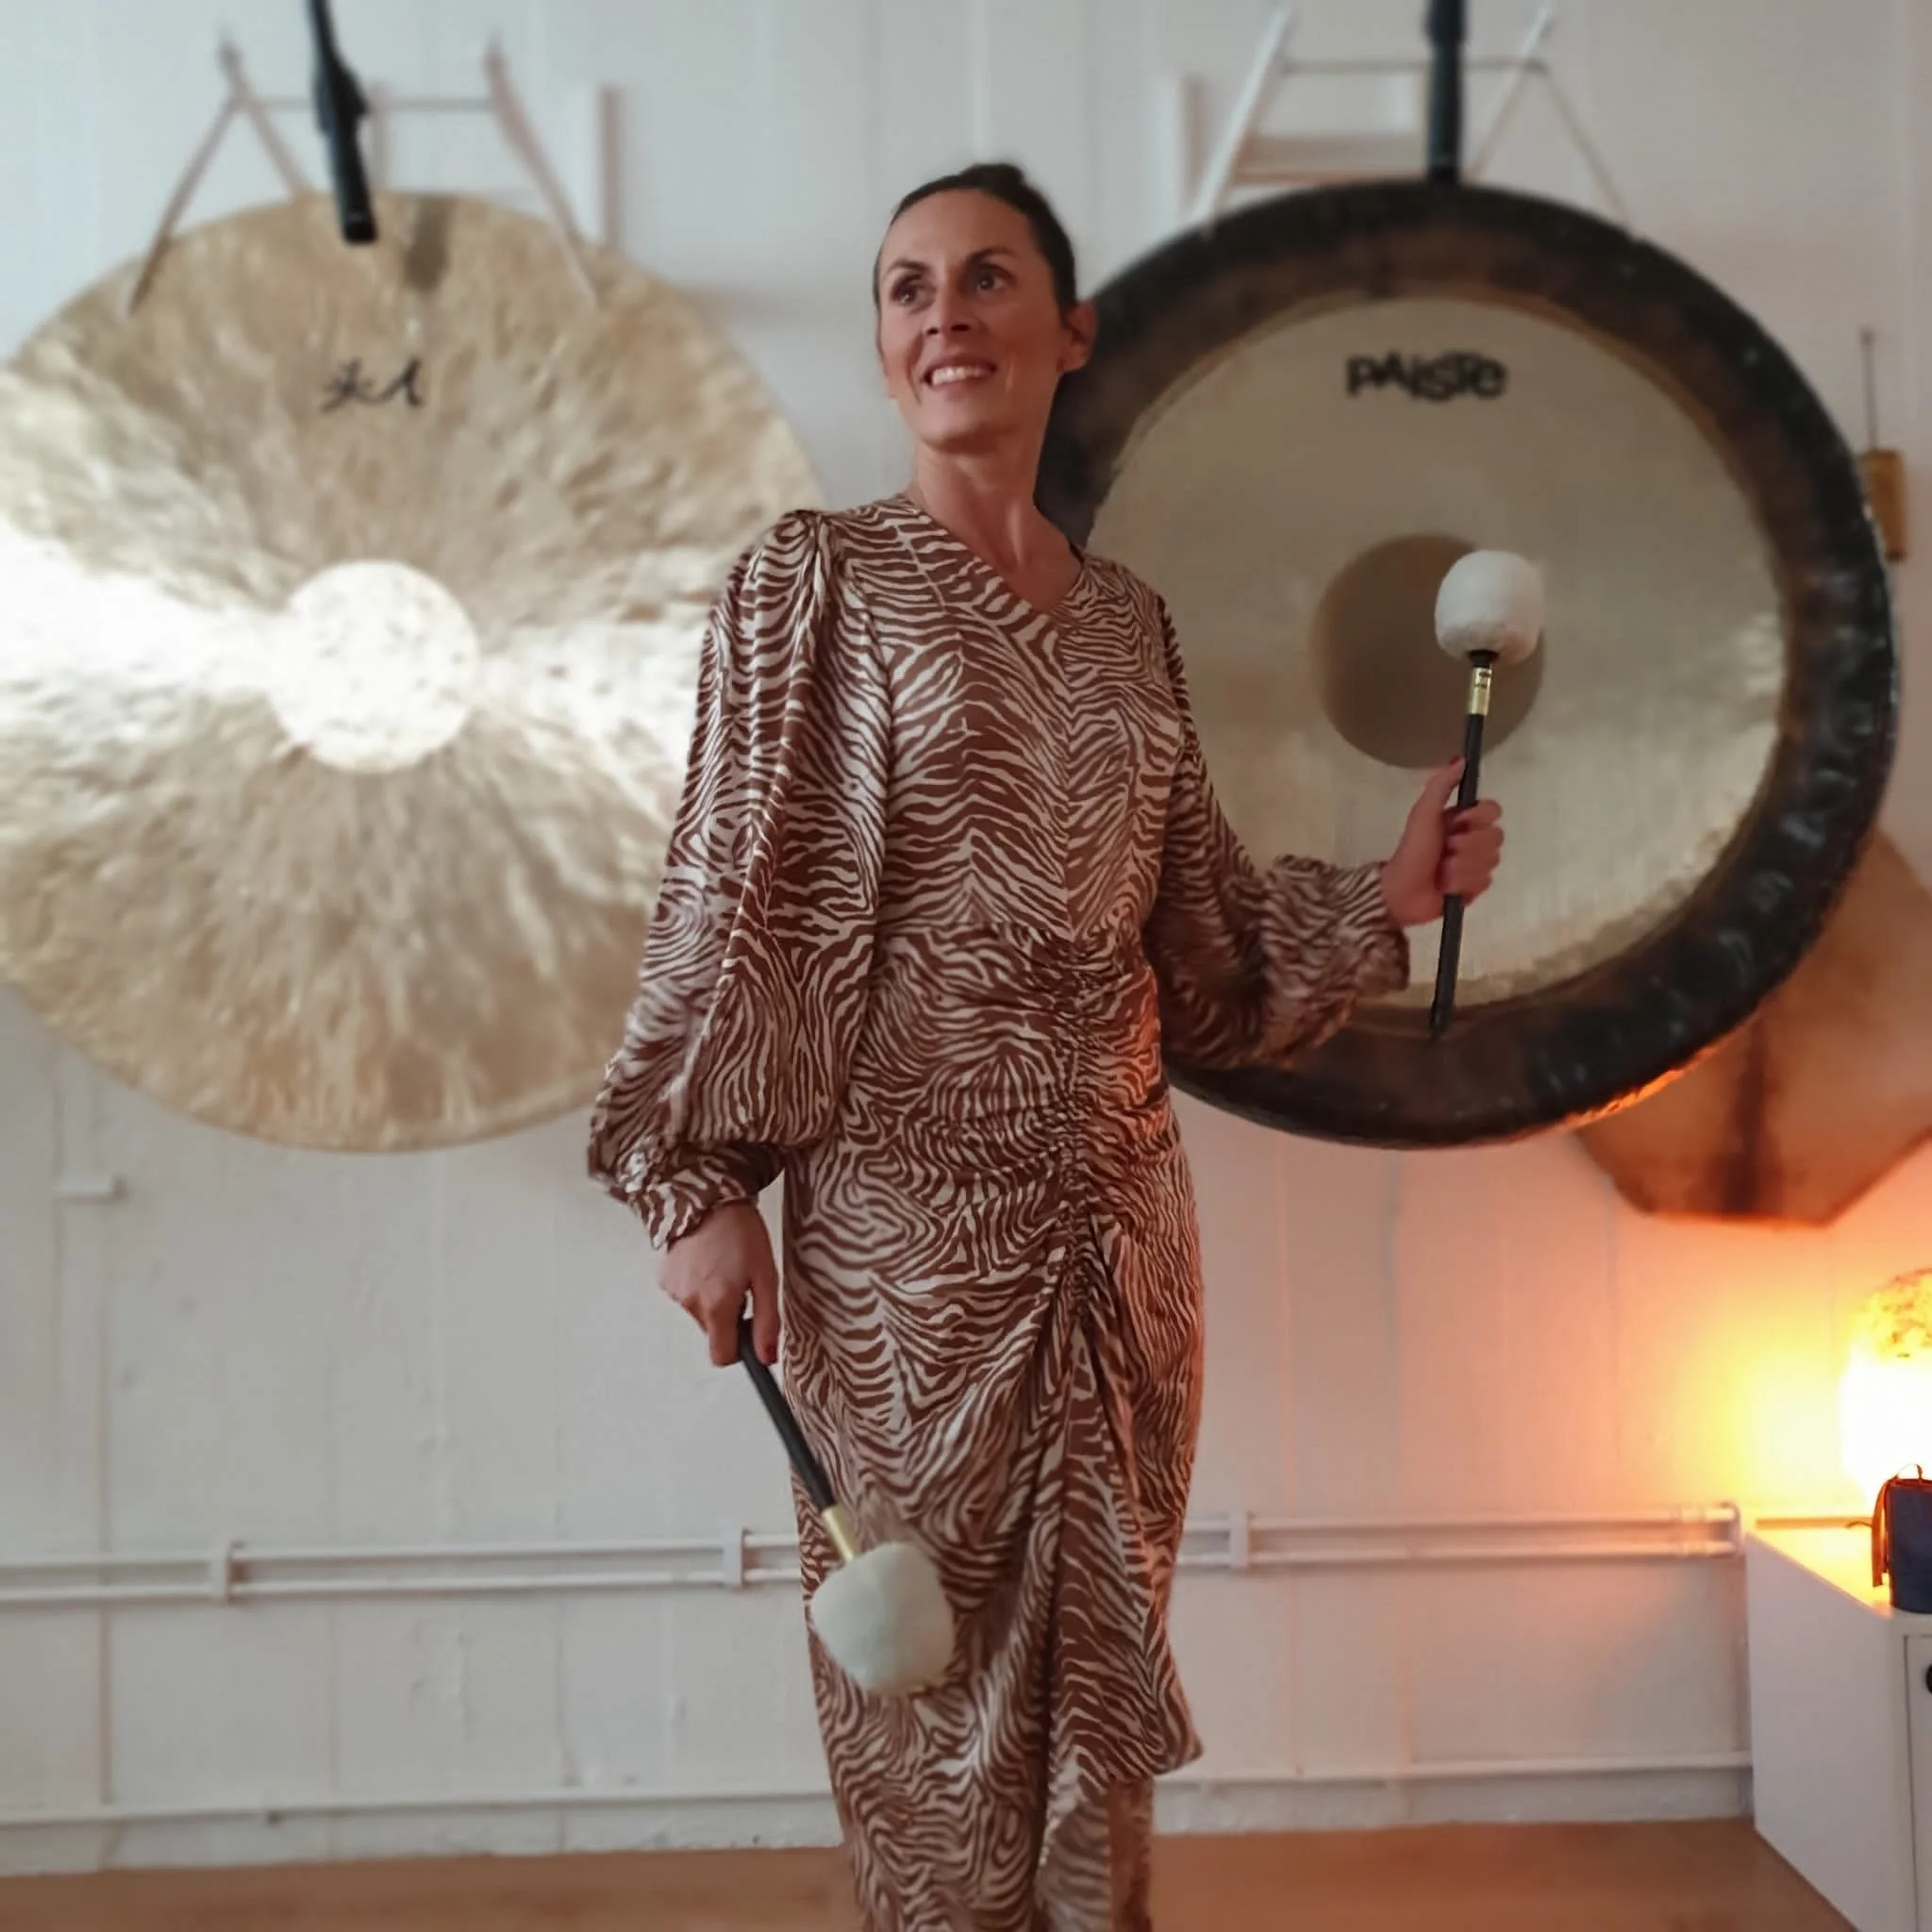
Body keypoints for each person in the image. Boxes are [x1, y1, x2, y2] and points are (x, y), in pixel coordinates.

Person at [588, 162, 1504, 1932]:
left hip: (1122, 1244)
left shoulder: (1130, 622)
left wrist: (1385, 897)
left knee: (1101, 1688)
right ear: (882, 344)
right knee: (928, 1703)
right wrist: (696, 1183)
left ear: (1069, 332)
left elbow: (1205, 947)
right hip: (907, 1257)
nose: (947, 317)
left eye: (987, 279)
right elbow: (730, 890)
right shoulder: (815, 585)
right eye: (908, 288)